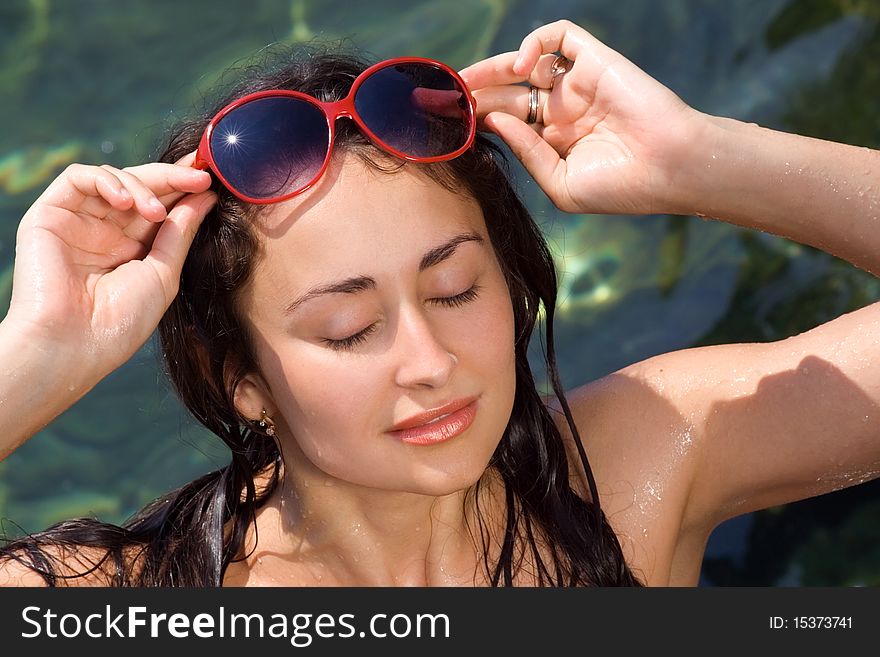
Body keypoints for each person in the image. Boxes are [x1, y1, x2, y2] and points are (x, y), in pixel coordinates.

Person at [0, 18, 877, 587]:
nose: (430, 362)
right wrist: (35, 359)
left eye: (455, 288)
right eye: (349, 330)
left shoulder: (643, 469)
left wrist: (704, 159)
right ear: (243, 381)